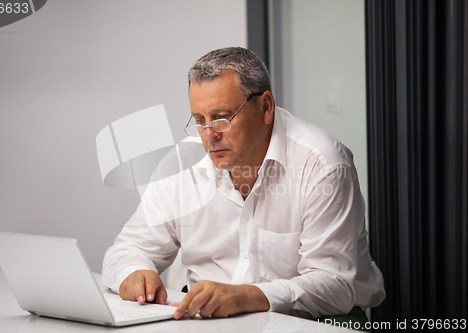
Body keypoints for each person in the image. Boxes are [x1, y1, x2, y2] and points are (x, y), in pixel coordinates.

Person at [102, 47, 385, 320]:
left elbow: (334, 285)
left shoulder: (323, 164)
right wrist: (135, 272)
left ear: (265, 107)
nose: (209, 135)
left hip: (315, 319)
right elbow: (128, 250)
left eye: (222, 118)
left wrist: (248, 297)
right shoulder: (180, 165)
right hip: (210, 318)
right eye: (200, 120)